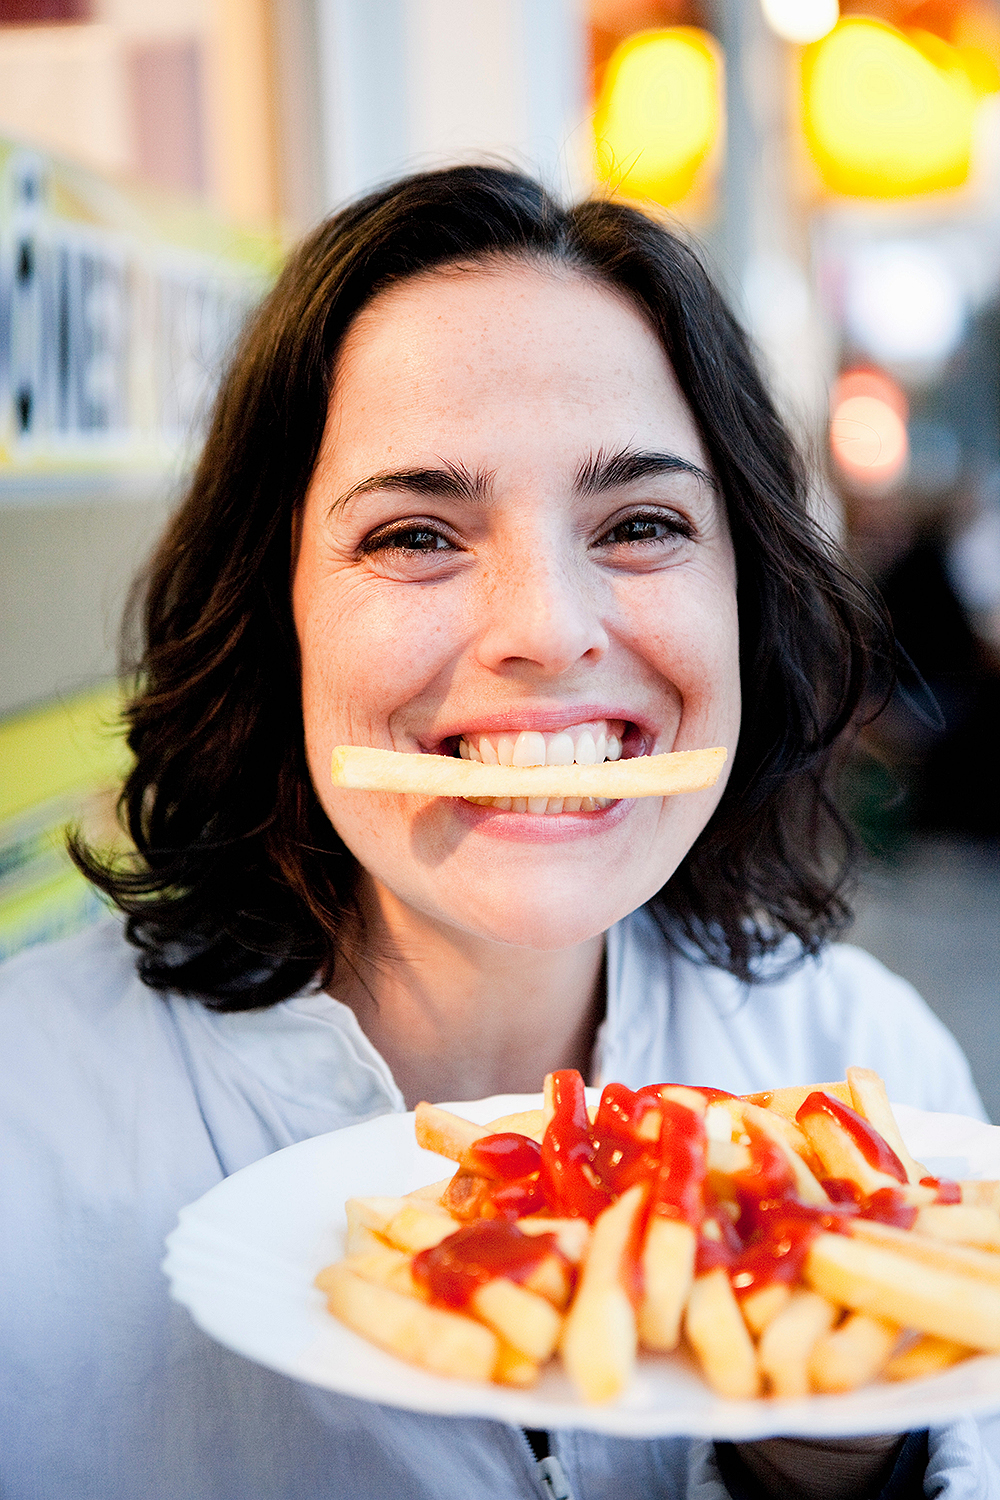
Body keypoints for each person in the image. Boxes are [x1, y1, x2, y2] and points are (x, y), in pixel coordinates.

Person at [1, 165, 995, 1500]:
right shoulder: (28, 1128)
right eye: (416, 533)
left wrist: (844, 1461)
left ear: (746, 594)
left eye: (642, 524)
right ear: (273, 606)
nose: (545, 628)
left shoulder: (874, 1080)